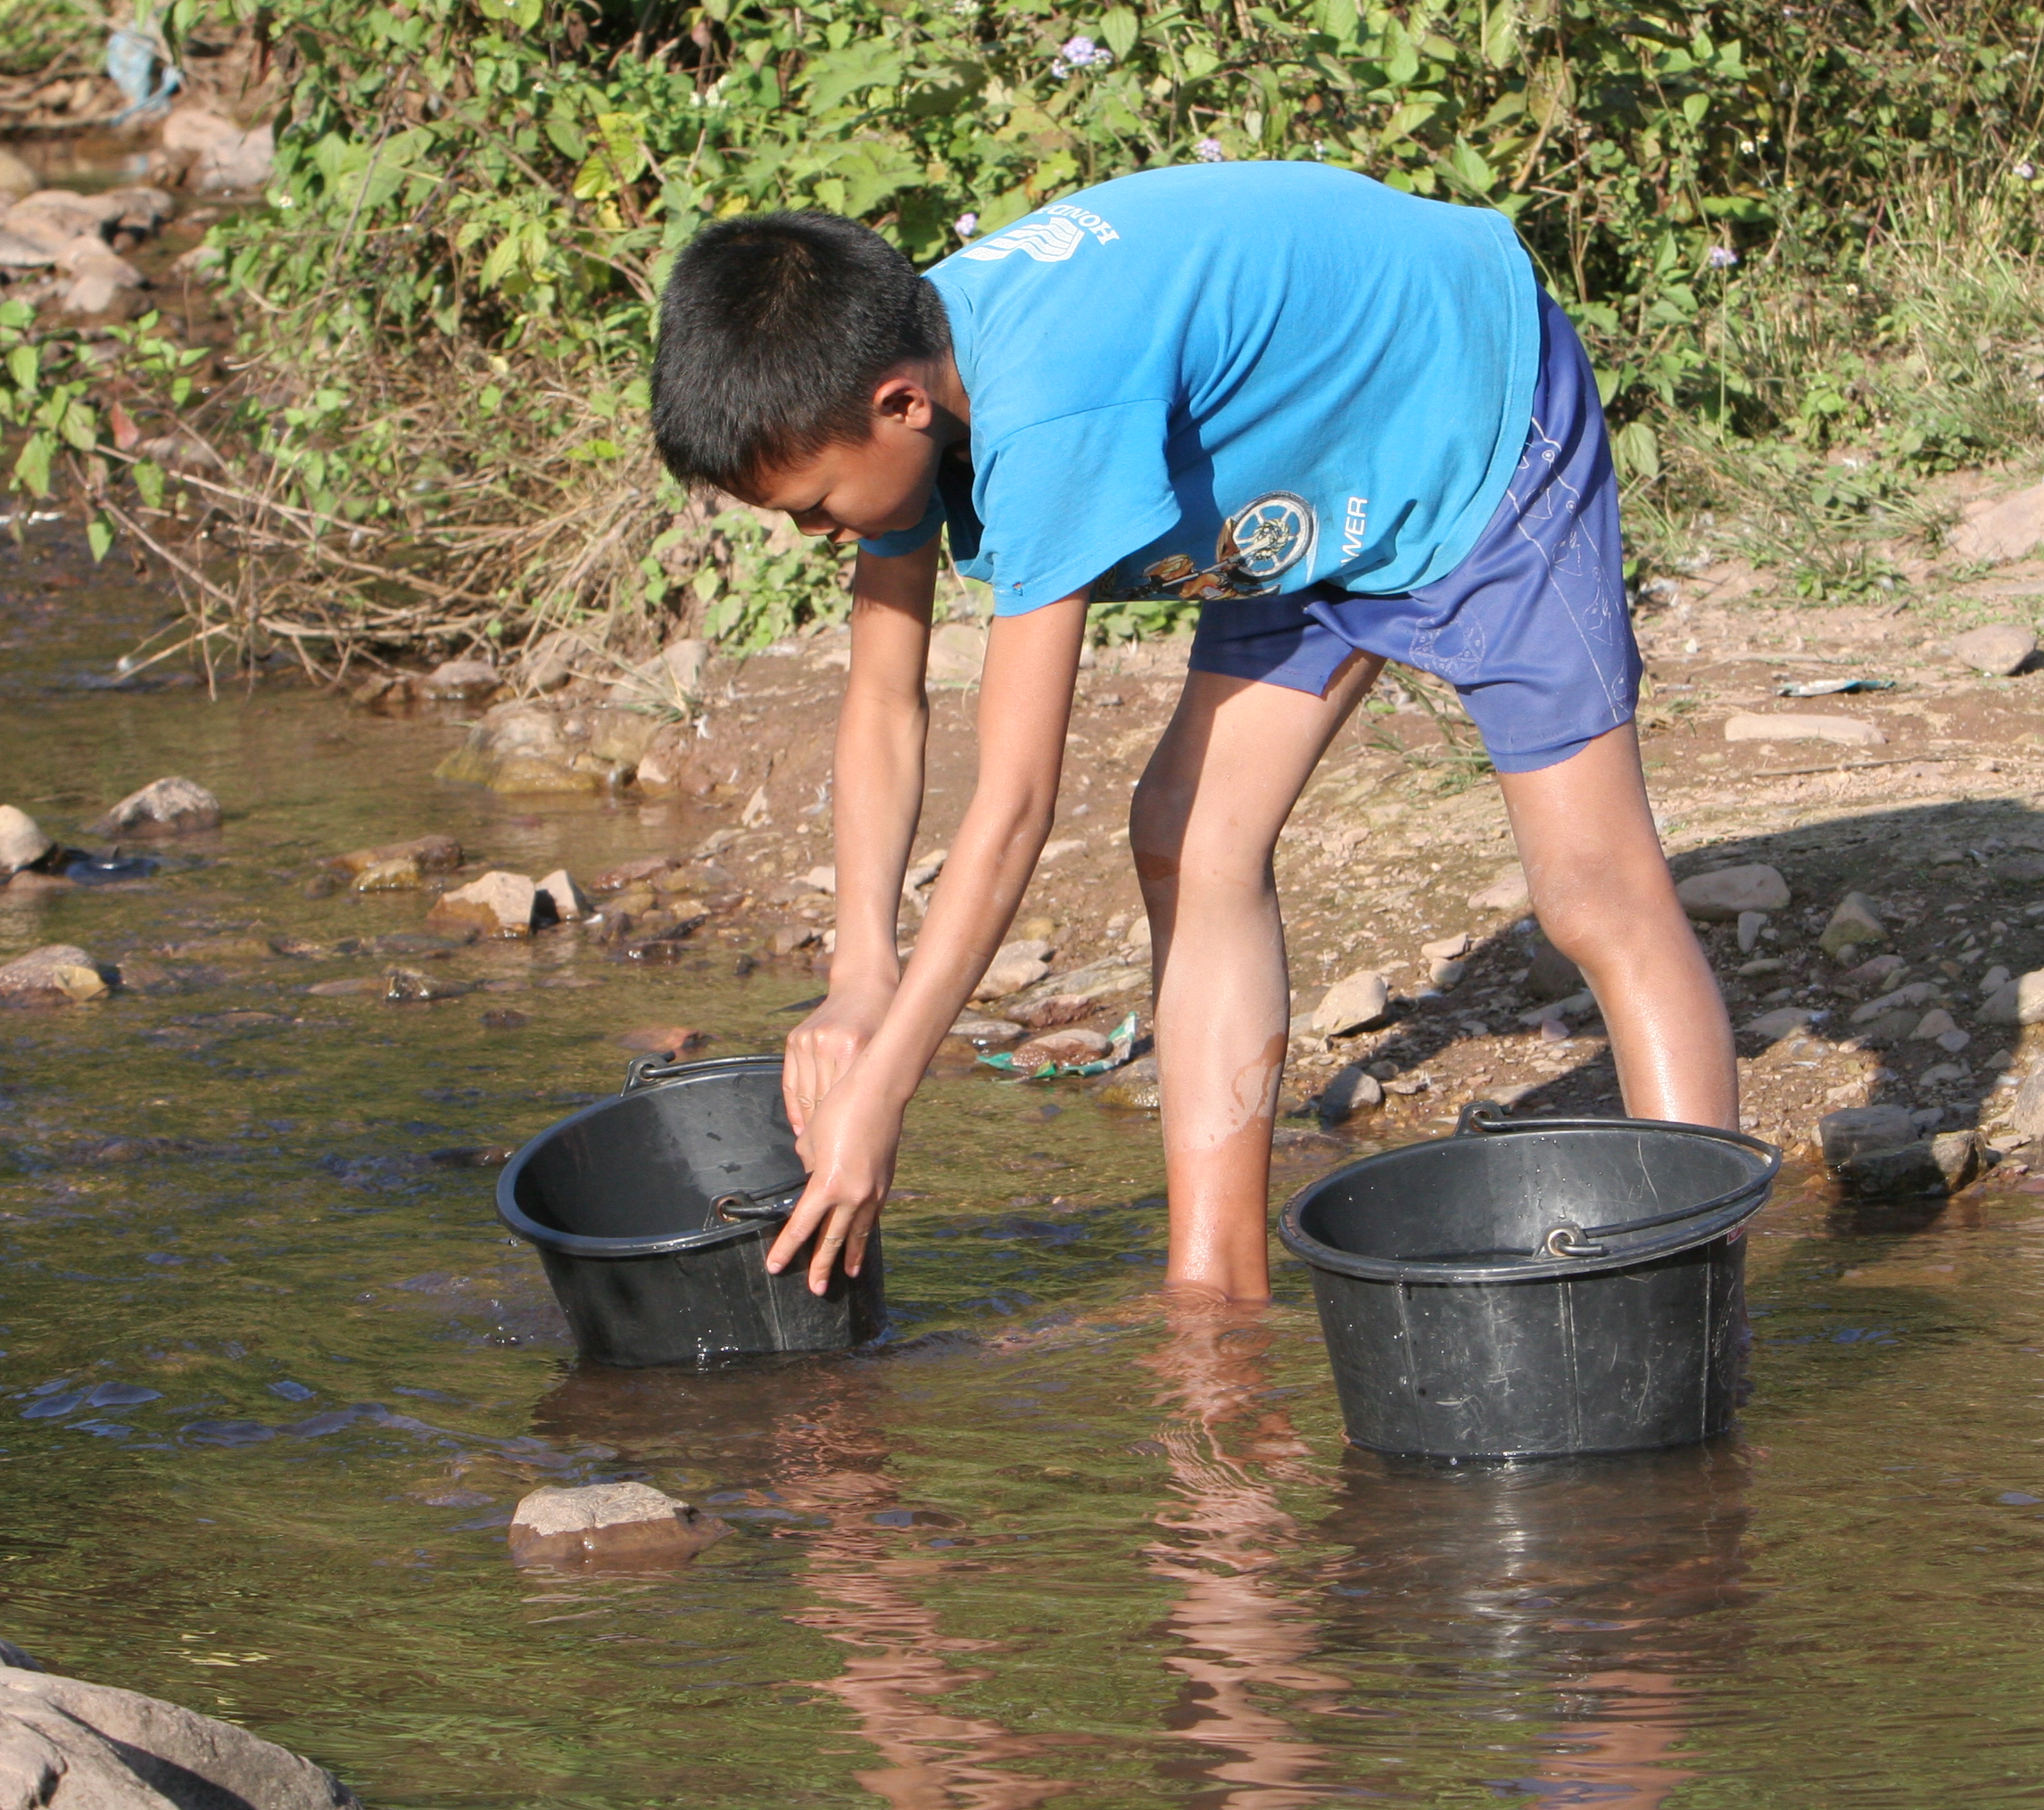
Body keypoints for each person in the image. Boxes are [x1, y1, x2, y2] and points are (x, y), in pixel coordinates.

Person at [647, 161, 1734, 1303]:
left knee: (1592, 890)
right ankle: (1216, 1294)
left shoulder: (1047, 403)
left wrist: (887, 1086)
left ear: (900, 406)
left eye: (816, 505)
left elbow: (1015, 803)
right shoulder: (894, 375)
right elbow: (883, 701)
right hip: (1289, 466)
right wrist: (861, 968)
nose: (817, 532)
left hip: (1462, 402)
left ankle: (1693, 1286)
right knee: (1188, 833)